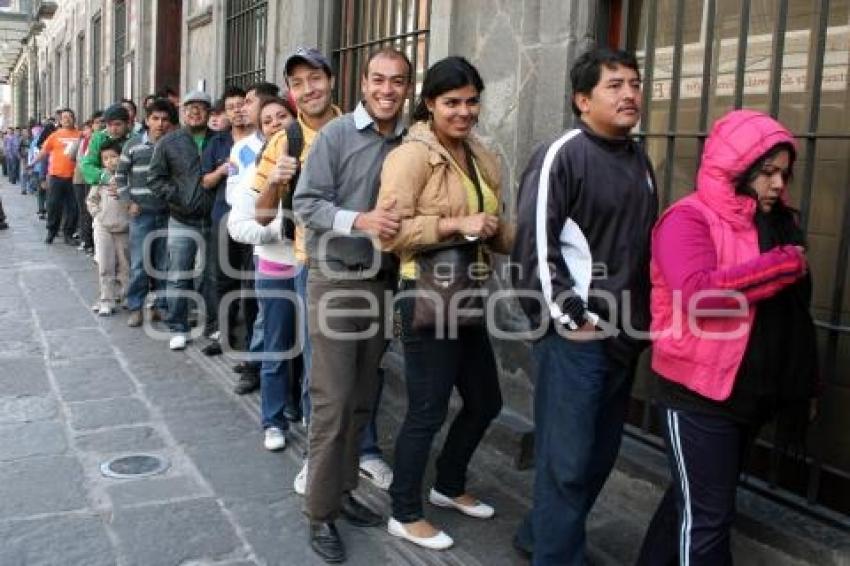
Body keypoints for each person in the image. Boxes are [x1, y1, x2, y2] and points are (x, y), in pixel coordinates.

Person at [635, 110, 817, 566]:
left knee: (692, 503)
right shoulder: (688, 219)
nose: (779, 184)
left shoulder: (774, 223)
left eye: (784, 173)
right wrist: (781, 265)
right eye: (768, 172)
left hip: (748, 394)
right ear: (738, 167)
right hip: (697, 393)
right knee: (709, 521)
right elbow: (697, 295)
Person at [511, 47, 658, 565]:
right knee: (567, 463)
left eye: (635, 83)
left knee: (597, 458)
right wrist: (572, 319)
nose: (630, 94)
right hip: (578, 339)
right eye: (614, 85)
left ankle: (538, 534)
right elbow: (532, 245)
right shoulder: (563, 153)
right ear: (582, 98)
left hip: (625, 336)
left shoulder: (639, 158)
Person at [377, 55, 513, 550]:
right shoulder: (411, 155)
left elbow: (494, 228)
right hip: (427, 296)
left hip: (469, 292)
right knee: (427, 409)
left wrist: (531, 236)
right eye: (451, 102)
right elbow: (389, 237)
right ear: (430, 103)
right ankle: (404, 511)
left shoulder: (480, 154)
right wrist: (458, 225)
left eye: (471, 101)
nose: (463, 111)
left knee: (486, 401)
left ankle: (448, 485)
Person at [293, 47, 411, 564]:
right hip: (336, 280)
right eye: (379, 80)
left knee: (363, 400)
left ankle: (342, 494)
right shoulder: (337, 135)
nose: (388, 90)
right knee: (334, 402)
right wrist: (358, 221)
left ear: (408, 87)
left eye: (399, 82)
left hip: (384, 283)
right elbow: (305, 203)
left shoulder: (411, 141)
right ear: (363, 83)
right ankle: (320, 515)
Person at [246, 95, 299, 451]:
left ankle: (302, 408)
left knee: (311, 350)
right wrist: (280, 228)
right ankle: (273, 419)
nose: (276, 122)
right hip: (275, 265)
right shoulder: (259, 167)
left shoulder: (311, 155)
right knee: (277, 347)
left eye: (283, 115)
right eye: (268, 120)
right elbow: (245, 223)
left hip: (314, 266)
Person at [148, 90, 216, 351]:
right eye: (190, 107)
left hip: (212, 219)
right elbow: (155, 179)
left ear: (209, 113)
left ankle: (213, 326)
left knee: (213, 275)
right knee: (178, 274)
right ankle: (178, 326)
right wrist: (177, 197)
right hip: (181, 218)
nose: (195, 112)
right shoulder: (169, 142)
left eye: (201, 107)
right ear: (183, 112)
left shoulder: (220, 140)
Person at [226, 81, 280, 392]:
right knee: (254, 302)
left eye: (249, 101)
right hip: (256, 234)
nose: (243, 107)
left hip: (291, 248)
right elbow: (235, 193)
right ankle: (254, 364)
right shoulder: (243, 149)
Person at [117, 98, 177, 328]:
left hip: (166, 213)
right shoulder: (132, 145)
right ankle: (135, 306)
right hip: (140, 214)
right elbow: (121, 176)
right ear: (147, 120)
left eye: (164, 119)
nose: (160, 123)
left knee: (163, 263)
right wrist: (127, 201)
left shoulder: (173, 145)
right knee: (139, 264)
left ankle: (160, 307)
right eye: (155, 119)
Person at [200, 86, 245, 353]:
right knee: (223, 275)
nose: (238, 110)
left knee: (250, 279)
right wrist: (222, 170)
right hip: (223, 216)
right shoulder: (217, 143)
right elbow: (205, 181)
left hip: (255, 220)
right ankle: (224, 333)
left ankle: (251, 338)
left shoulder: (263, 138)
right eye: (231, 107)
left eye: (242, 104)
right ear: (225, 113)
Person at [86, 138, 130, 316]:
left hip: (125, 227)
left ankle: (125, 296)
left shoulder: (128, 177)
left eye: (114, 156)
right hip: (104, 227)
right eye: (106, 158)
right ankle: (106, 299)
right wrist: (98, 215)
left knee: (126, 265)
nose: (111, 161)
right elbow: (91, 200)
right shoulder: (101, 178)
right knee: (105, 264)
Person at [35, 109, 81, 245]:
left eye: (69, 117)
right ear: (60, 121)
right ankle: (51, 231)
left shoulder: (80, 135)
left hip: (74, 177)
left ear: (74, 119)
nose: (67, 119)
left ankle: (69, 234)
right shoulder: (54, 135)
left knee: (73, 207)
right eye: (64, 117)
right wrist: (33, 163)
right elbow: (44, 152)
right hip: (56, 176)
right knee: (53, 205)